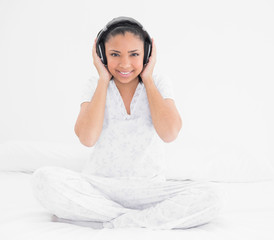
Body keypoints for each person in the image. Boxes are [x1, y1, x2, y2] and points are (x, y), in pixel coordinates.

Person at [31, 16, 221, 230]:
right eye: (114, 54)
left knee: (211, 196)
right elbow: (87, 138)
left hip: (148, 189)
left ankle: (117, 221)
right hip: (100, 186)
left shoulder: (158, 82)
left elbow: (169, 133)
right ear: (102, 55)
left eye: (134, 55)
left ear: (147, 55)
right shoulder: (95, 84)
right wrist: (103, 79)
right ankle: (136, 219)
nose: (124, 64)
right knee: (43, 179)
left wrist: (147, 79)